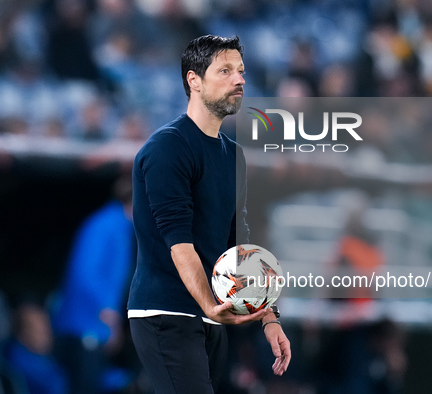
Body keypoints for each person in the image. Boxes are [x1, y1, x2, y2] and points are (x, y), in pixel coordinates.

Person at [128, 35, 291, 393]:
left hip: (211, 315)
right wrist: (208, 304)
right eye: (226, 71)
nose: (240, 80)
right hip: (166, 312)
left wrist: (268, 318)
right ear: (194, 81)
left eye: (242, 71)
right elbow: (178, 243)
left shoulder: (234, 155)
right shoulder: (167, 148)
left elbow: (239, 245)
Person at [52, 176, 135, 394]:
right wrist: (109, 315)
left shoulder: (120, 227)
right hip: (83, 328)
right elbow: (85, 273)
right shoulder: (105, 225)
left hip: (94, 328)